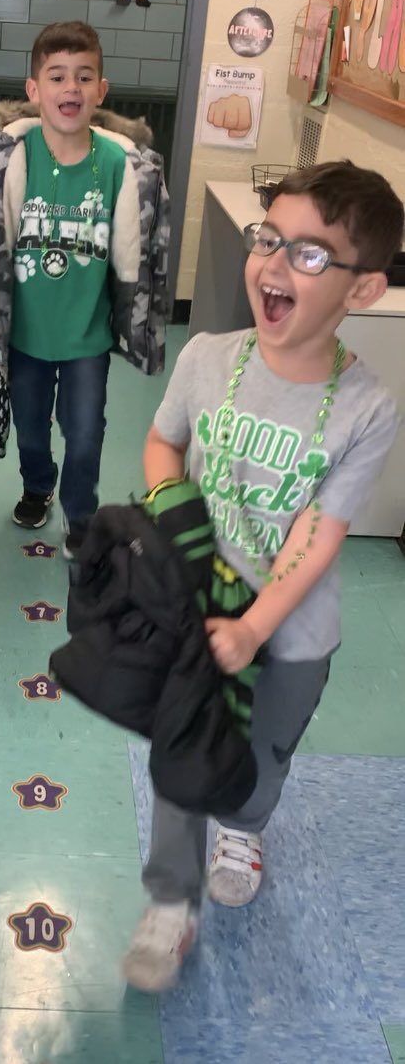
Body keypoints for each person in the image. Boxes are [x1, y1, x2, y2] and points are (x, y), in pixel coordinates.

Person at [123, 161, 403, 993]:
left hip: (292, 634)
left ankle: (244, 828)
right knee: (182, 753)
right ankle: (168, 905)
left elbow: (320, 532)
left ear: (362, 291)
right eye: (268, 238)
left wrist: (255, 625)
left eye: (311, 255)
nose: (275, 265)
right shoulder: (208, 356)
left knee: (261, 754)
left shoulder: (367, 407)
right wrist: (179, 528)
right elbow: (162, 444)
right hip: (199, 613)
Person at [0, 21, 170, 558]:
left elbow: (149, 256)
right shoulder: (7, 164)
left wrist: (146, 324)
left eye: (84, 77)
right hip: (24, 334)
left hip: (87, 338)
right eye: (56, 77)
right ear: (34, 91)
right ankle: (36, 485)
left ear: (101, 90)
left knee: (84, 433)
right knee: (29, 427)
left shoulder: (125, 166)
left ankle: (81, 513)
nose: (70, 88)